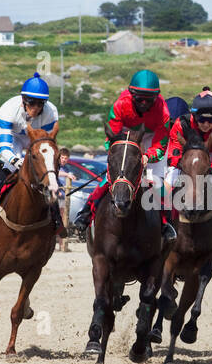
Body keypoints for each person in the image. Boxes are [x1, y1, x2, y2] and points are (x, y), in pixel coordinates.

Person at [71, 69, 174, 241]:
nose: (143, 103)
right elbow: (112, 137)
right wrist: (119, 155)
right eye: (139, 98)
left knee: (156, 181)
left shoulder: (163, 112)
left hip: (151, 136)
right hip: (125, 135)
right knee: (115, 176)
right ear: (131, 94)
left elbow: (161, 143)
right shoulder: (120, 105)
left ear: (156, 98)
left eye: (148, 100)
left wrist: (148, 156)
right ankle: (86, 212)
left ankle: (165, 222)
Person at [0, 72, 63, 236]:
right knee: (8, 169)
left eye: (40, 103)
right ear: (23, 100)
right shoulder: (8, 109)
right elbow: (1, 146)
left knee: (48, 176)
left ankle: (57, 219)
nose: (35, 107)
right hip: (13, 140)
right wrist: (16, 161)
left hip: (37, 142)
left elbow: (48, 144)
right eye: (31, 102)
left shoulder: (51, 112)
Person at [165, 87, 212, 243]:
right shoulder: (181, 123)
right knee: (170, 179)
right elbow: (175, 149)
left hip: (210, 154)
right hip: (186, 154)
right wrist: (182, 165)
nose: (205, 124)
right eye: (201, 119)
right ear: (193, 115)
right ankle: (163, 220)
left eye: (211, 120)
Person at [56, 147, 73, 252]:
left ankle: (62, 245)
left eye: (66, 158)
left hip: (63, 196)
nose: (64, 160)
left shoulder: (66, 168)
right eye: (62, 158)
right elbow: (55, 174)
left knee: (63, 219)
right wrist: (67, 175)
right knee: (55, 218)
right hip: (55, 195)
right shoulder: (56, 166)